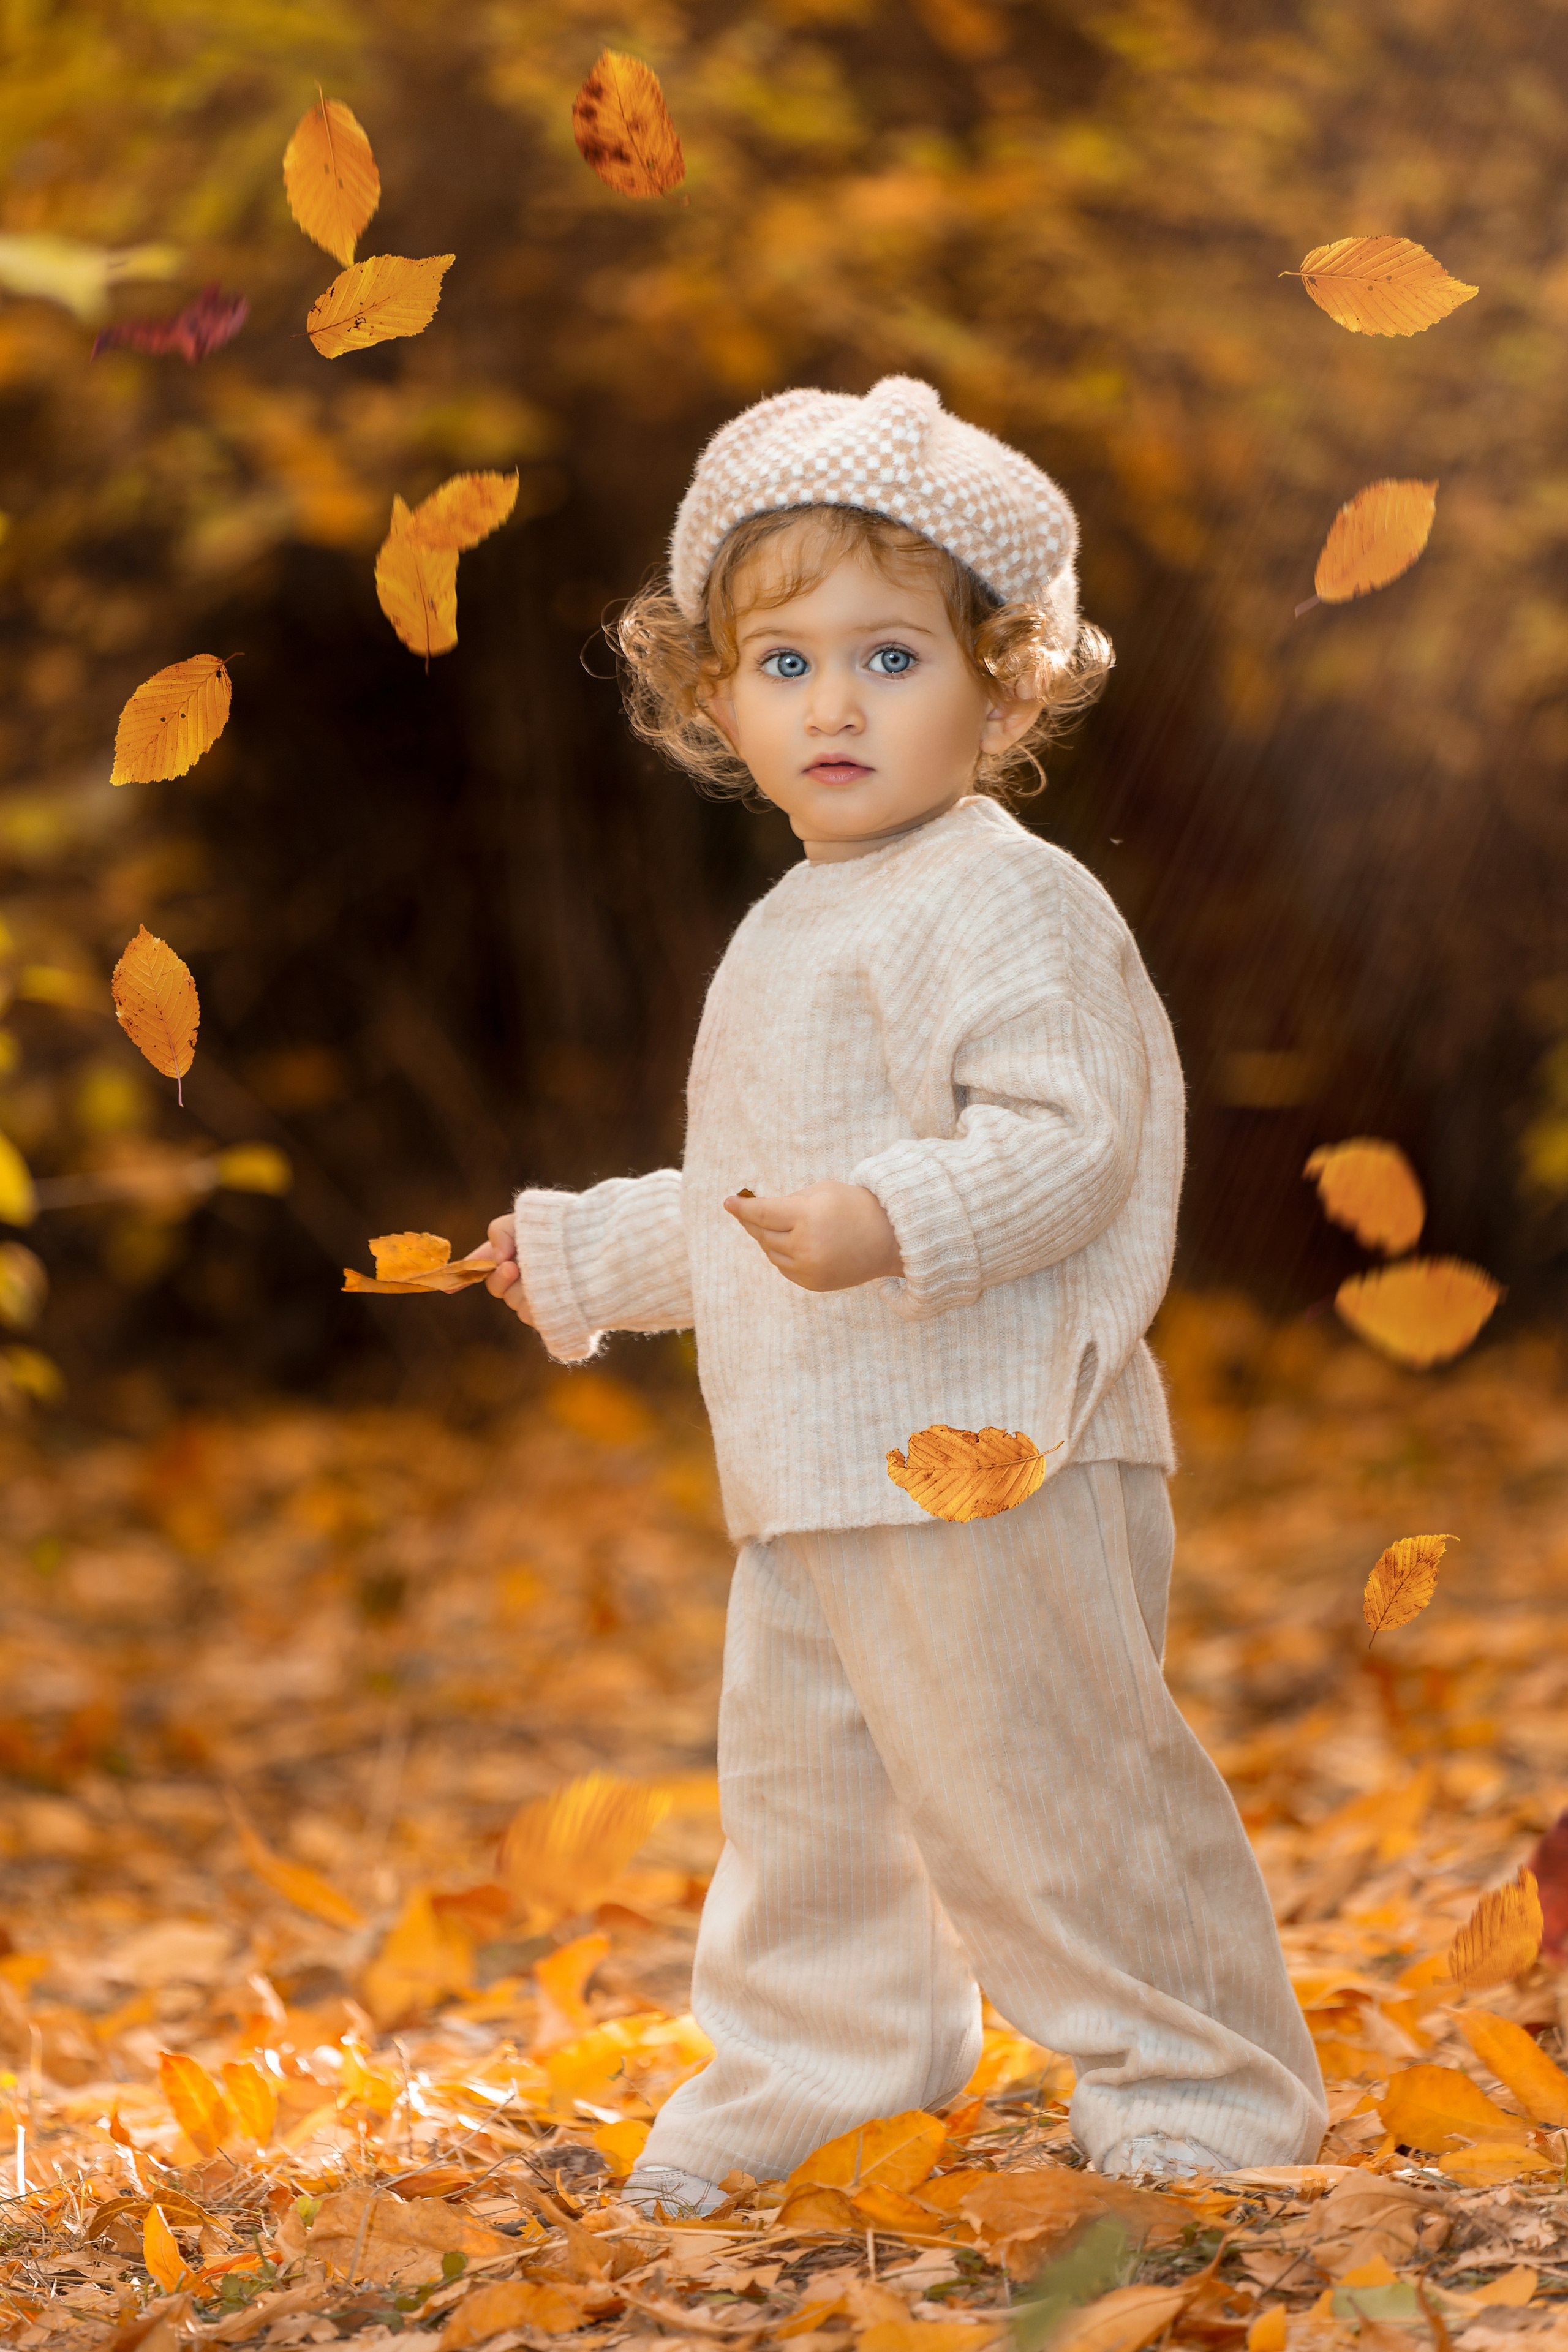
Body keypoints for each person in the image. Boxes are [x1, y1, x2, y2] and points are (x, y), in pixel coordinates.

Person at [473, 375, 1325, 2210]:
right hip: (805, 1471)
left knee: (1053, 1791)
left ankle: (1204, 2081)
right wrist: (583, 1256)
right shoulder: (799, 914)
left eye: (891, 655)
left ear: (1006, 680)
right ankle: (825, 2069)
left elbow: (1071, 1139)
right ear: (712, 697)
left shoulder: (1002, 902)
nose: (833, 704)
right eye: (782, 665)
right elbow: (747, 1202)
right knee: (812, 1816)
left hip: (994, 1452)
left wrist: (894, 1216)